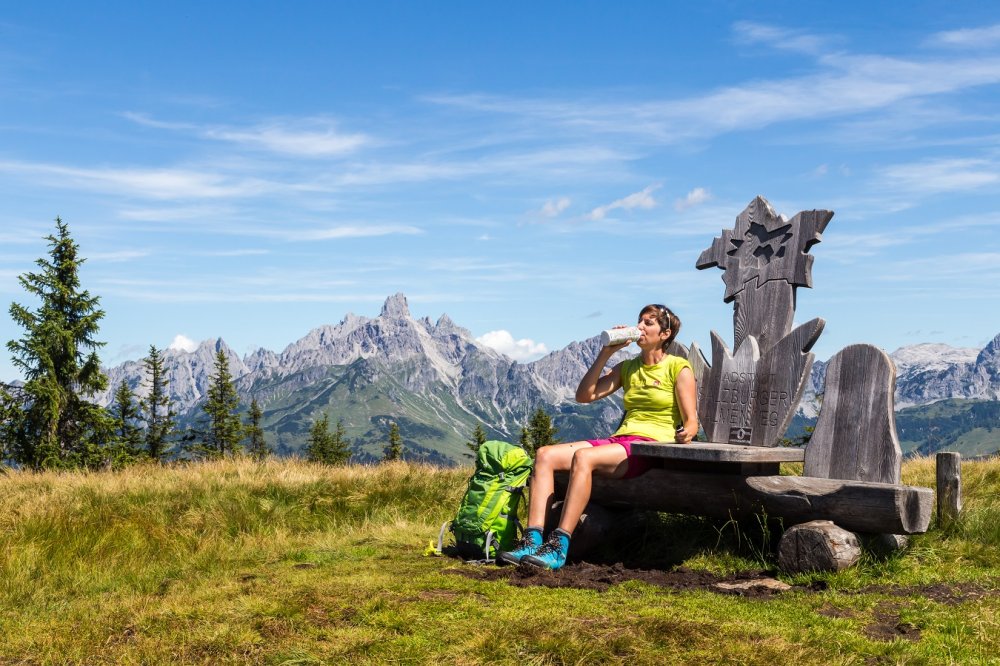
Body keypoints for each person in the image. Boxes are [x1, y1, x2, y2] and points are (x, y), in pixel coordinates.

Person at [498, 304, 698, 570]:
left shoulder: (678, 367)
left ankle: (559, 546)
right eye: (639, 321)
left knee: (583, 457)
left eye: (649, 323)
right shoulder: (628, 367)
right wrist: (606, 353)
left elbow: (692, 421)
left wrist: (686, 434)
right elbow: (585, 396)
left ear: (665, 333)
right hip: (622, 440)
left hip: (650, 446)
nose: (640, 327)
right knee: (545, 455)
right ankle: (532, 540)